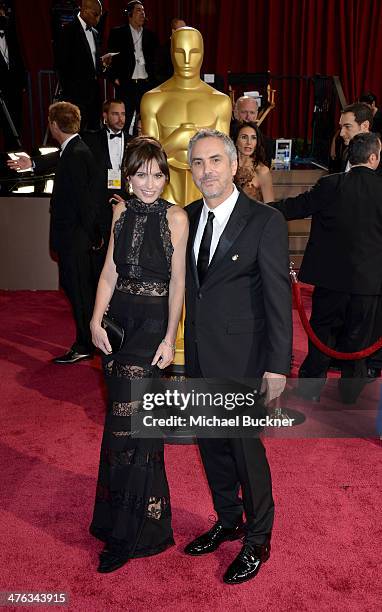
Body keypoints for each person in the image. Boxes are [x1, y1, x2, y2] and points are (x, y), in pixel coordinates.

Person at [183, 129, 292, 584]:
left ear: (232, 165)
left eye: (214, 161)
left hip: (246, 360)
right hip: (200, 360)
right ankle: (229, 520)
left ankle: (258, 538)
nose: (206, 171)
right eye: (197, 164)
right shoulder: (186, 217)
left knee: (247, 453)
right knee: (211, 448)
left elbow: (276, 297)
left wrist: (277, 366)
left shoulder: (264, 220)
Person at [89, 136, 188, 573]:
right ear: (128, 176)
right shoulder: (121, 211)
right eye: (141, 175)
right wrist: (94, 320)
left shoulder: (177, 217)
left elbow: (179, 284)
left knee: (128, 427)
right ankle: (139, 520)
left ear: (166, 176)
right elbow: (109, 272)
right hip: (119, 324)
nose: (149, 184)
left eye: (157, 175)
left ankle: (126, 535)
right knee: (124, 426)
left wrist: (170, 338)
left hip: (151, 328)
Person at [272, 132, 382, 403]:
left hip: (329, 281)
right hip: (369, 283)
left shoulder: (330, 185)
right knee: (359, 341)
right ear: (373, 157)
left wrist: (254, 208)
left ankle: (310, 390)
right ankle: (349, 395)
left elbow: (294, 207)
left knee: (321, 334)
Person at [141, 26, 232, 206]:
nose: (187, 60)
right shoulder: (153, 99)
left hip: (205, 195)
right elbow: (147, 159)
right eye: (180, 52)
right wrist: (176, 140)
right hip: (163, 192)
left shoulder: (220, 102)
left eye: (194, 52)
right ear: (171, 52)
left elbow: (223, 159)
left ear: (203, 53)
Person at [46, 102, 104, 364]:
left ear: (54, 125)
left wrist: (92, 236)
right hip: (76, 239)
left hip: (76, 240)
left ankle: (84, 344)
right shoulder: (74, 150)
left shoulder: (77, 153)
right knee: (77, 291)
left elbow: (86, 202)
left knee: (80, 293)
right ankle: (88, 340)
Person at [107, 1, 160, 132]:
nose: (142, 13)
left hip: (146, 84)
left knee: (145, 121)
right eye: (138, 10)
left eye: (143, 10)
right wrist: (114, 78)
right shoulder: (118, 33)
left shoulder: (151, 35)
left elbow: (156, 60)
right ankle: (123, 148)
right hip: (127, 84)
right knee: (124, 120)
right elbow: (109, 57)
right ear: (129, 14)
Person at [82, 99, 130, 240]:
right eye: (115, 114)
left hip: (127, 201)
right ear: (105, 115)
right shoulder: (91, 140)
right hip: (100, 205)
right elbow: (67, 151)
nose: (121, 119)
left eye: (123, 114)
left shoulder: (134, 141)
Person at [54, 0, 104, 131]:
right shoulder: (68, 31)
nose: (98, 19)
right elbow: (61, 65)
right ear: (85, 10)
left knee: (94, 135)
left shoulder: (95, 33)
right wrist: (70, 95)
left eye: (100, 15)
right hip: (75, 97)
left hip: (94, 96)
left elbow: (92, 63)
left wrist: (102, 63)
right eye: (96, 14)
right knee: (76, 134)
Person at [0, 7, 26, 149]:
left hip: (14, 92)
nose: (3, 17)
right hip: (1, 92)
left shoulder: (11, 35)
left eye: (4, 14)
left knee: (15, 129)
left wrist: (22, 85)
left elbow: (18, 59)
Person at [231, 120, 274, 202]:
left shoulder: (262, 171)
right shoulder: (226, 167)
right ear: (235, 141)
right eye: (244, 137)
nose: (249, 142)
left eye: (253, 138)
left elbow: (270, 206)